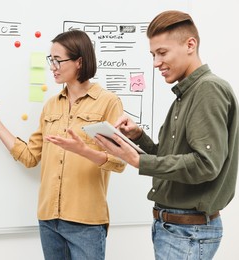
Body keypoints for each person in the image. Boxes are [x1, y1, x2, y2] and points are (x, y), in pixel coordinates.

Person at [93, 10, 238, 260]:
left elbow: (206, 165)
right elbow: (174, 158)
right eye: (153, 54)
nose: (156, 63)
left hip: (187, 231)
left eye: (162, 53)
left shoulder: (208, 90)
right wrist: (139, 137)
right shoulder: (187, 93)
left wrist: (139, 161)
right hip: (177, 229)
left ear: (190, 45)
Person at [0, 30, 126, 260]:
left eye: (58, 60)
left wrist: (83, 151)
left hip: (86, 222)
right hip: (49, 220)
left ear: (79, 61)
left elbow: (119, 161)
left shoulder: (108, 102)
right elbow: (30, 157)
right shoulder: (51, 106)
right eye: (50, 60)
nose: (52, 66)